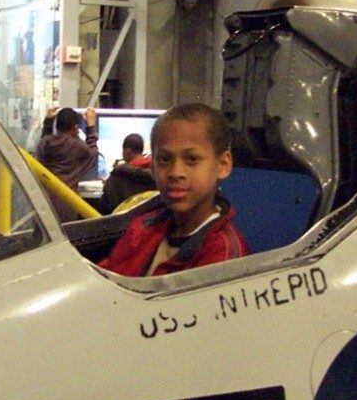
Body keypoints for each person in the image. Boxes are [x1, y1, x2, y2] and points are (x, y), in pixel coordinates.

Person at [99, 103, 249, 276]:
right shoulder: (140, 229)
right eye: (164, 159)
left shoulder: (225, 257)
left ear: (223, 165)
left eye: (192, 159)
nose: (175, 172)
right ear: (152, 168)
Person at [35, 105, 98, 223]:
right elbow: (93, 156)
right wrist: (91, 127)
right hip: (66, 206)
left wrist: (48, 122)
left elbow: (45, 137)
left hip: (42, 205)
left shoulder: (45, 143)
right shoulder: (77, 146)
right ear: (76, 128)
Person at [97, 132, 155, 215]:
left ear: (127, 151)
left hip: (122, 226)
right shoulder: (158, 174)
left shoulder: (117, 177)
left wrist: (108, 185)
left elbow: (105, 208)